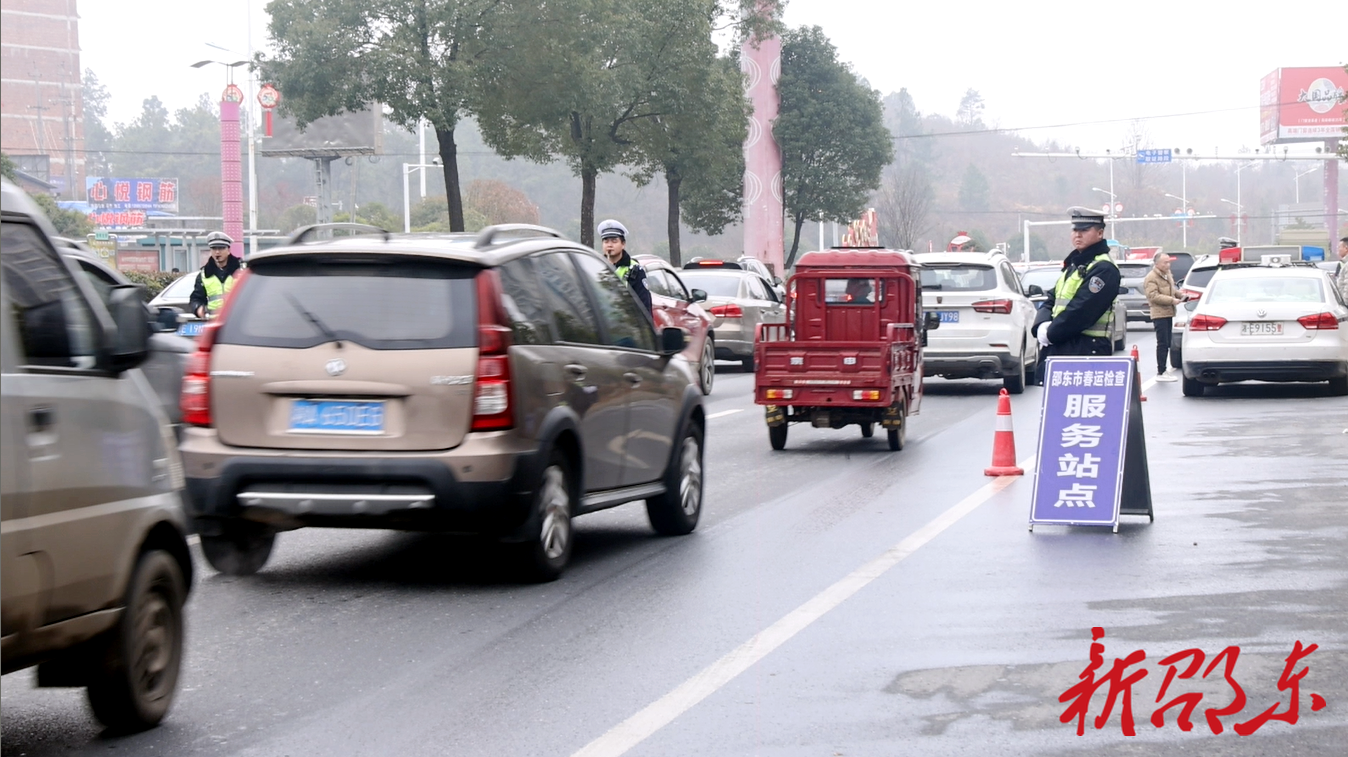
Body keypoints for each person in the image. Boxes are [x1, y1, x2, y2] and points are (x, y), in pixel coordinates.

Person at [1031, 207, 1121, 364]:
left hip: (1087, 349)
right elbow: (1053, 297)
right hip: (1063, 345)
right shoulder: (1075, 265)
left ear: (1100, 233)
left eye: (1085, 230)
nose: (1078, 234)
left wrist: (1051, 333)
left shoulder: (1104, 268)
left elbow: (1083, 309)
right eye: (1075, 230)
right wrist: (1041, 324)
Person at [1143, 251, 1187, 382]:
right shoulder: (1151, 277)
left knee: (1167, 342)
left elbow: (1172, 290)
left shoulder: (1167, 275)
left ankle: (1163, 370)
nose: (1168, 265)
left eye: (1169, 262)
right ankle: (1161, 371)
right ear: (1157, 264)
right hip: (1159, 314)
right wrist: (1171, 300)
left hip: (1169, 312)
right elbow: (1153, 296)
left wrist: (1181, 296)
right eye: (1165, 262)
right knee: (1162, 343)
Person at [596, 219, 652, 314]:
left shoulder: (635, 270)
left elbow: (644, 307)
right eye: (606, 241)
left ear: (623, 244)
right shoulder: (595, 267)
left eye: (614, 241)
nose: (609, 245)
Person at [189, 231, 242, 319]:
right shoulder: (204, 274)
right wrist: (198, 308)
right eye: (214, 248)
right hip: (213, 321)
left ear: (228, 250)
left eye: (221, 248)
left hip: (237, 320)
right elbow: (196, 298)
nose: (217, 252)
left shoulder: (241, 271)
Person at [1338, 237, 1348, 304]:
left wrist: (1345, 303)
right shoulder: (1343, 262)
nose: (1338, 250)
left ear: (1346, 248)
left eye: (1339, 247)